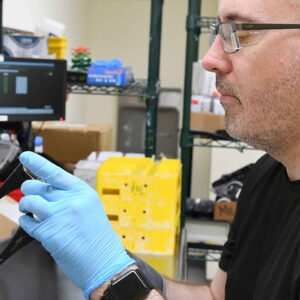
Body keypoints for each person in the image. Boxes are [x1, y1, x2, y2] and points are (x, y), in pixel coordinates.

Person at [17, 0, 300, 299]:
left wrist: (110, 277)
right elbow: (217, 296)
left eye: (239, 32)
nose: (209, 59)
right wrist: (120, 262)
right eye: (218, 32)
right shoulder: (265, 175)